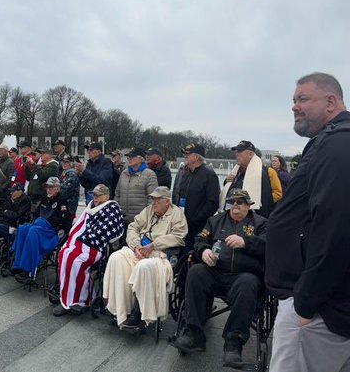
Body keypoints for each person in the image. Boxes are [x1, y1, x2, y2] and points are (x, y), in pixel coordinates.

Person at [267, 72, 350, 372]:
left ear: (331, 102)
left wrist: (305, 303)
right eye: (293, 100)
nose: (294, 106)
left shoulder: (339, 146)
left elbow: (336, 230)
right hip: (319, 306)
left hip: (317, 313)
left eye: (303, 99)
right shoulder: (328, 143)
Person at [171, 189, 267, 367]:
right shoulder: (215, 221)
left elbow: (269, 244)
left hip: (243, 275)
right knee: (196, 272)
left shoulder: (260, 224)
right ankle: (194, 333)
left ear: (248, 205)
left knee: (247, 283)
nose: (235, 205)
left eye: (240, 202)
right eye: (232, 202)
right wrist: (204, 250)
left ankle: (233, 342)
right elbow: (200, 239)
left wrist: (246, 242)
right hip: (216, 272)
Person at [102, 186, 187, 333]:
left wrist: (153, 245)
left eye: (157, 200)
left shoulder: (177, 214)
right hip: (140, 250)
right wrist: (135, 246)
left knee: (143, 267)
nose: (153, 203)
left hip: (160, 256)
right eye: (152, 199)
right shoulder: (148, 211)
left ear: (167, 201)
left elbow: (178, 237)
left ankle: (138, 313)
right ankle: (120, 309)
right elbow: (133, 227)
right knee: (116, 257)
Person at [55, 184, 125, 317]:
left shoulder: (111, 208)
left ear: (107, 196)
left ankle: (80, 300)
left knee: (76, 260)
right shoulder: (90, 207)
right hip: (83, 241)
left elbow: (108, 230)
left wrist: (87, 238)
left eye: (98, 195)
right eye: (94, 195)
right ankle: (66, 296)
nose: (95, 198)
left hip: (96, 246)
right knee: (64, 253)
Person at [171, 143, 221, 251]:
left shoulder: (209, 174)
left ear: (196, 157)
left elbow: (213, 202)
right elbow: (178, 194)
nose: (185, 157)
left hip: (198, 227)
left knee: (195, 255)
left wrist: (197, 219)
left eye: (187, 155)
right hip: (182, 224)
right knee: (182, 255)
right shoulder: (186, 173)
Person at [221, 140, 282, 218]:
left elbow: (278, 193)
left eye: (240, 152)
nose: (236, 154)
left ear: (250, 154)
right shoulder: (236, 171)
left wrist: (263, 201)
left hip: (256, 216)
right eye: (236, 152)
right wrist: (226, 181)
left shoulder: (268, 172)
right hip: (232, 215)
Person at [113, 147, 158, 224]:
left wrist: (146, 217)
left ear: (141, 159)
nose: (129, 159)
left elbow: (152, 198)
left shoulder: (150, 175)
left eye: (132, 157)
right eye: (128, 157)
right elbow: (117, 194)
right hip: (122, 218)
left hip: (140, 220)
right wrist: (116, 211)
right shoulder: (124, 173)